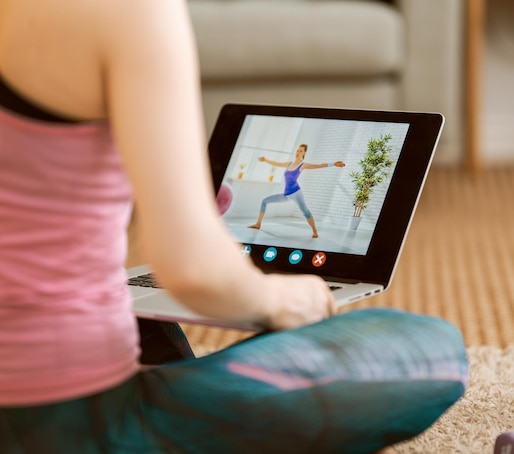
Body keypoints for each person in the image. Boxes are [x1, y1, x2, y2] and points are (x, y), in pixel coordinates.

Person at [0, 0, 468, 453]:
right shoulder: (130, 9)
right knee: (434, 348)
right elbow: (192, 269)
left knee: (139, 304)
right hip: (66, 420)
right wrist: (286, 299)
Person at [248, 144, 345, 238]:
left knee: (305, 212)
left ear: (304, 153)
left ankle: (315, 231)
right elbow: (276, 164)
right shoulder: (289, 164)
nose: (298, 152)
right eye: (297, 150)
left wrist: (334, 164)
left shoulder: (302, 165)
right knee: (264, 201)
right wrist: (265, 160)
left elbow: (318, 165)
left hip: (296, 193)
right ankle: (258, 224)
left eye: (301, 151)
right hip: (286, 195)